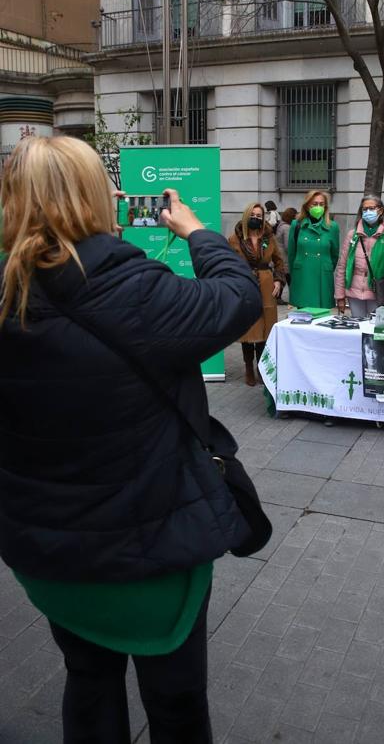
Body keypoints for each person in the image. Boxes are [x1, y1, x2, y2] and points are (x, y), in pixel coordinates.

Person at [0, 135, 263, 744]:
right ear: (98, 196)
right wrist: (199, 231)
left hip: (49, 553)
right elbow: (238, 297)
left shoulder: (11, 290)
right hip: (152, 553)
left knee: (87, 682)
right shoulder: (131, 289)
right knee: (174, 704)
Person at [229, 202, 286, 386]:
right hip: (245, 285)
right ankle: (248, 368)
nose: (256, 218)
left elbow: (279, 261)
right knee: (248, 328)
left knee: (265, 328)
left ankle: (261, 368)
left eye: (259, 215)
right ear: (247, 216)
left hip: (266, 285)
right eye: (253, 214)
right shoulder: (235, 239)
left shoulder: (269, 237)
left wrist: (278, 280)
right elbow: (229, 263)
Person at [334, 195, 384, 318]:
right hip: (354, 292)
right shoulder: (352, 235)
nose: (368, 212)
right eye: (365, 209)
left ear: (380, 210)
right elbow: (342, 267)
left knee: (374, 329)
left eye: (371, 208)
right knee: (358, 328)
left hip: (377, 292)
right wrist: (340, 295)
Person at [288, 190, 340, 309]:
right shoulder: (296, 225)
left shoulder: (332, 227)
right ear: (307, 206)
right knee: (303, 321)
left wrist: (325, 268)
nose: (318, 207)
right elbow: (291, 254)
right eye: (314, 204)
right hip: (302, 277)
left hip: (322, 278)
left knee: (321, 321)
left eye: (321, 204)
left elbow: (334, 255)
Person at [275, 206, 298, 303]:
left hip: (281, 256)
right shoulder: (287, 228)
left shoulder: (281, 225)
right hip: (285, 258)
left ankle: (278, 297)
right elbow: (289, 245)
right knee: (289, 279)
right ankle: (293, 298)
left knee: (283, 278)